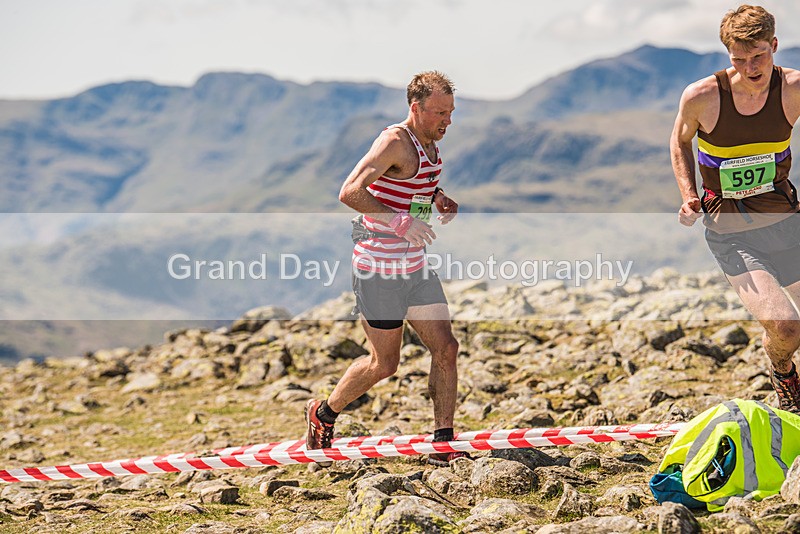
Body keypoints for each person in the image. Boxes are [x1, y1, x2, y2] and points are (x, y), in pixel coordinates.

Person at [304, 71, 466, 466]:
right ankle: (323, 413)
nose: (447, 121)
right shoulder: (394, 141)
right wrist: (399, 221)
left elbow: (414, 189)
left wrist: (439, 199)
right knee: (385, 364)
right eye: (439, 113)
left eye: (451, 112)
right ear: (416, 108)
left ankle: (442, 444)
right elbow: (350, 191)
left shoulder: (431, 146)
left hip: (414, 267)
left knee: (446, 348)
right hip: (377, 269)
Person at [672, 5, 800, 414]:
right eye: (739, 59)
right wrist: (688, 193)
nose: (750, 67)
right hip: (733, 233)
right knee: (785, 327)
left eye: (758, 55)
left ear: (774, 46)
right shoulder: (702, 96)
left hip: (786, 223)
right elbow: (679, 141)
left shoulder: (793, 88)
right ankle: (782, 370)